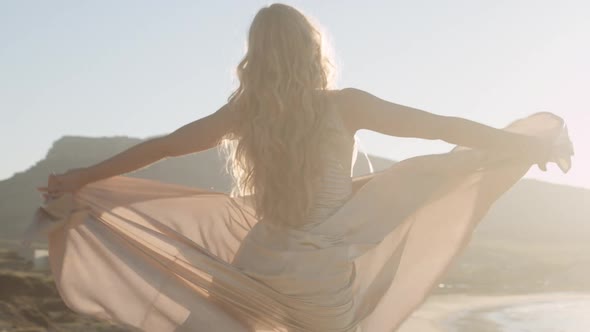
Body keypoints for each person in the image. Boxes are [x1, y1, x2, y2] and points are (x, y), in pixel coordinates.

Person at [35, 3, 573, 332]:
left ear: (256, 55)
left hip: (260, 259)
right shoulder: (345, 105)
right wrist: (520, 144)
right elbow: (440, 126)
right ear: (312, 51)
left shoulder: (245, 114)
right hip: (319, 274)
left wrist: (82, 177)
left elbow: (165, 146)